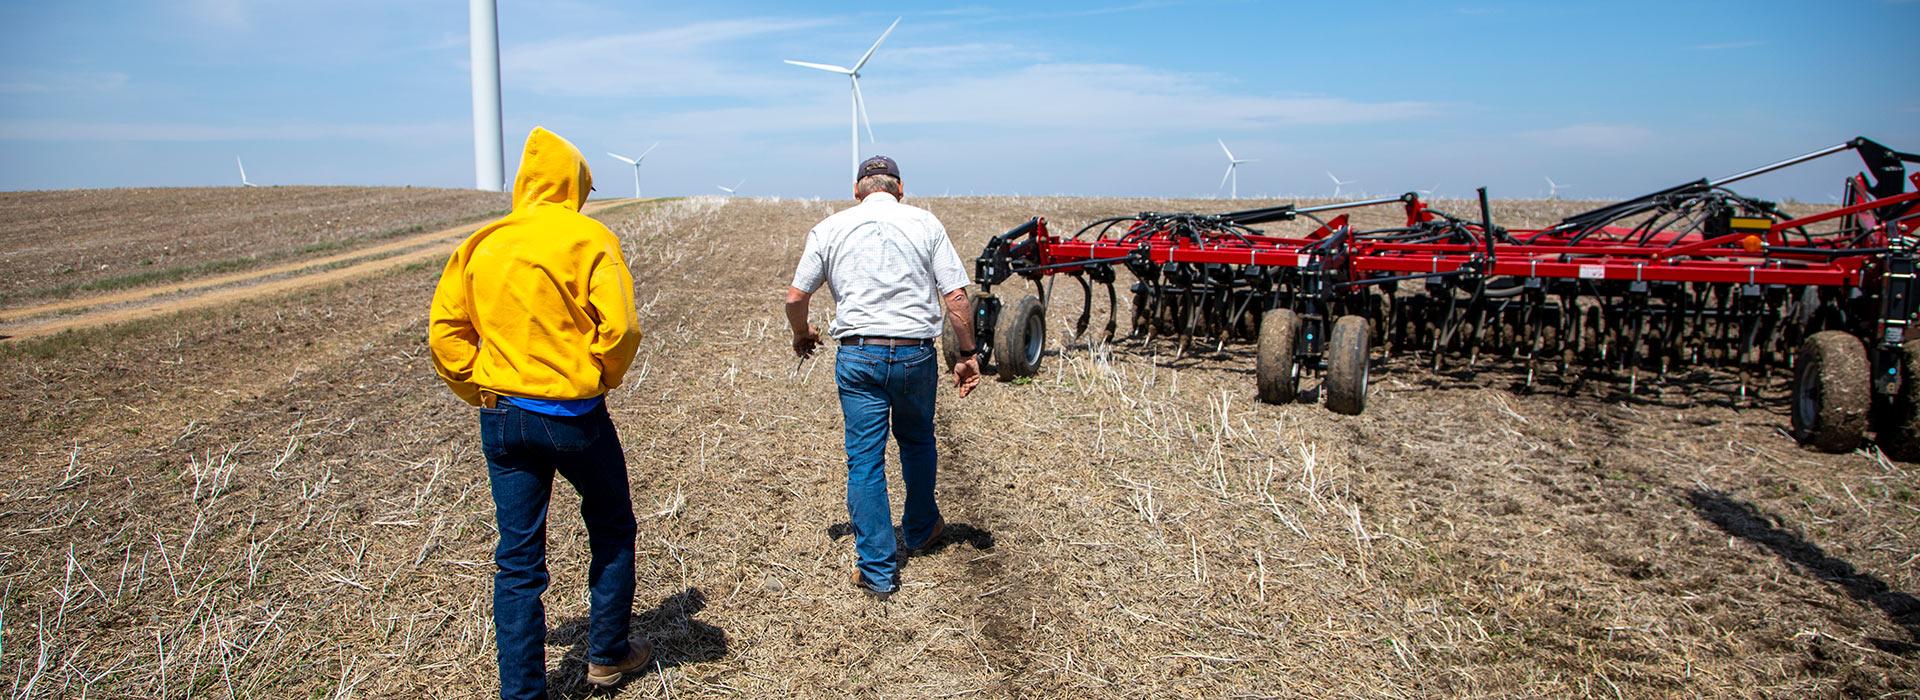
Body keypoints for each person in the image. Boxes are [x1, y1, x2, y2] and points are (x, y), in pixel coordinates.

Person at [428, 126, 650, 698]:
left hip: (501, 417)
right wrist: (602, 375)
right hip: (573, 416)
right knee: (611, 526)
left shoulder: (482, 243)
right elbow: (620, 326)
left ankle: (522, 693)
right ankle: (607, 654)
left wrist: (476, 386)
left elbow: (446, 332)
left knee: (518, 560)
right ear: (573, 184)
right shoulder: (588, 237)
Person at [785, 155, 983, 599]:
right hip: (915, 354)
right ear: (900, 188)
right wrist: (968, 353)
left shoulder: (829, 228)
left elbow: (796, 296)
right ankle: (920, 528)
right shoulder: (926, 224)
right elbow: (955, 296)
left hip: (859, 356)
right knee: (916, 441)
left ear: (856, 191)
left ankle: (876, 570)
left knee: (866, 459)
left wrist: (803, 333)